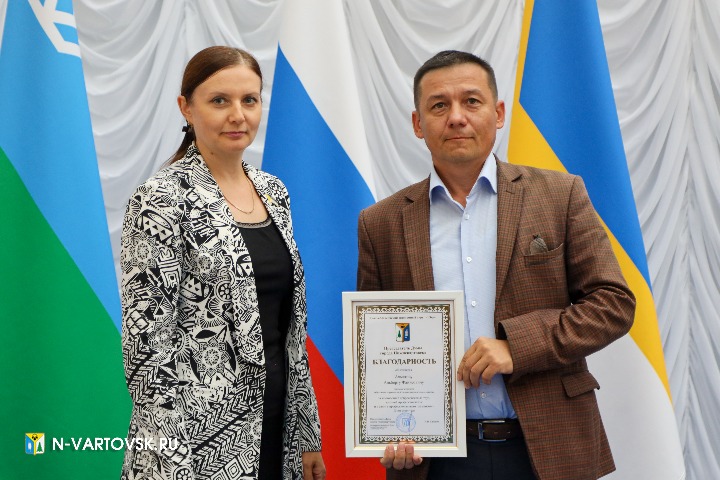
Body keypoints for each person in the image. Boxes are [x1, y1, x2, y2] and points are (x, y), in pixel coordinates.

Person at [357, 50, 636, 480]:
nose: (456, 117)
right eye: (439, 105)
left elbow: (614, 304)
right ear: (418, 124)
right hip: (435, 462)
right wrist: (391, 428)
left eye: (471, 101)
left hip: (549, 447)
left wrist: (515, 347)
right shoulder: (381, 223)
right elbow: (378, 340)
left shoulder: (559, 195)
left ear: (499, 113)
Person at [120, 46, 326, 480]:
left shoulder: (273, 192)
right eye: (219, 100)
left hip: (278, 427)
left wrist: (307, 434)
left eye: (249, 100)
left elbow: (291, 329)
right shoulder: (161, 198)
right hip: (196, 442)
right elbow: (146, 349)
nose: (238, 115)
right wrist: (171, 460)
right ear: (186, 108)